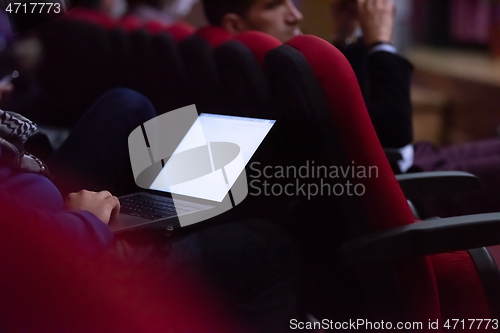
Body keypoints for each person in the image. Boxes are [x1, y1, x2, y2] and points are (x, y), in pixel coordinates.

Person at [0, 87, 299, 332]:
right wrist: (87, 220)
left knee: (128, 105)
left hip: (48, 207)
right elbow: (16, 244)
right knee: (266, 244)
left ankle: (163, 215)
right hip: (56, 267)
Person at [201, 0, 500, 218]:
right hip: (403, 185)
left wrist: (345, 32)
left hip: (407, 166)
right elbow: (392, 134)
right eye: (275, 6)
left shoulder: (246, 65)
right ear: (235, 24)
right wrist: (381, 41)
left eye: (292, 2)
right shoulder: (263, 73)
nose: (295, 14)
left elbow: (352, 111)